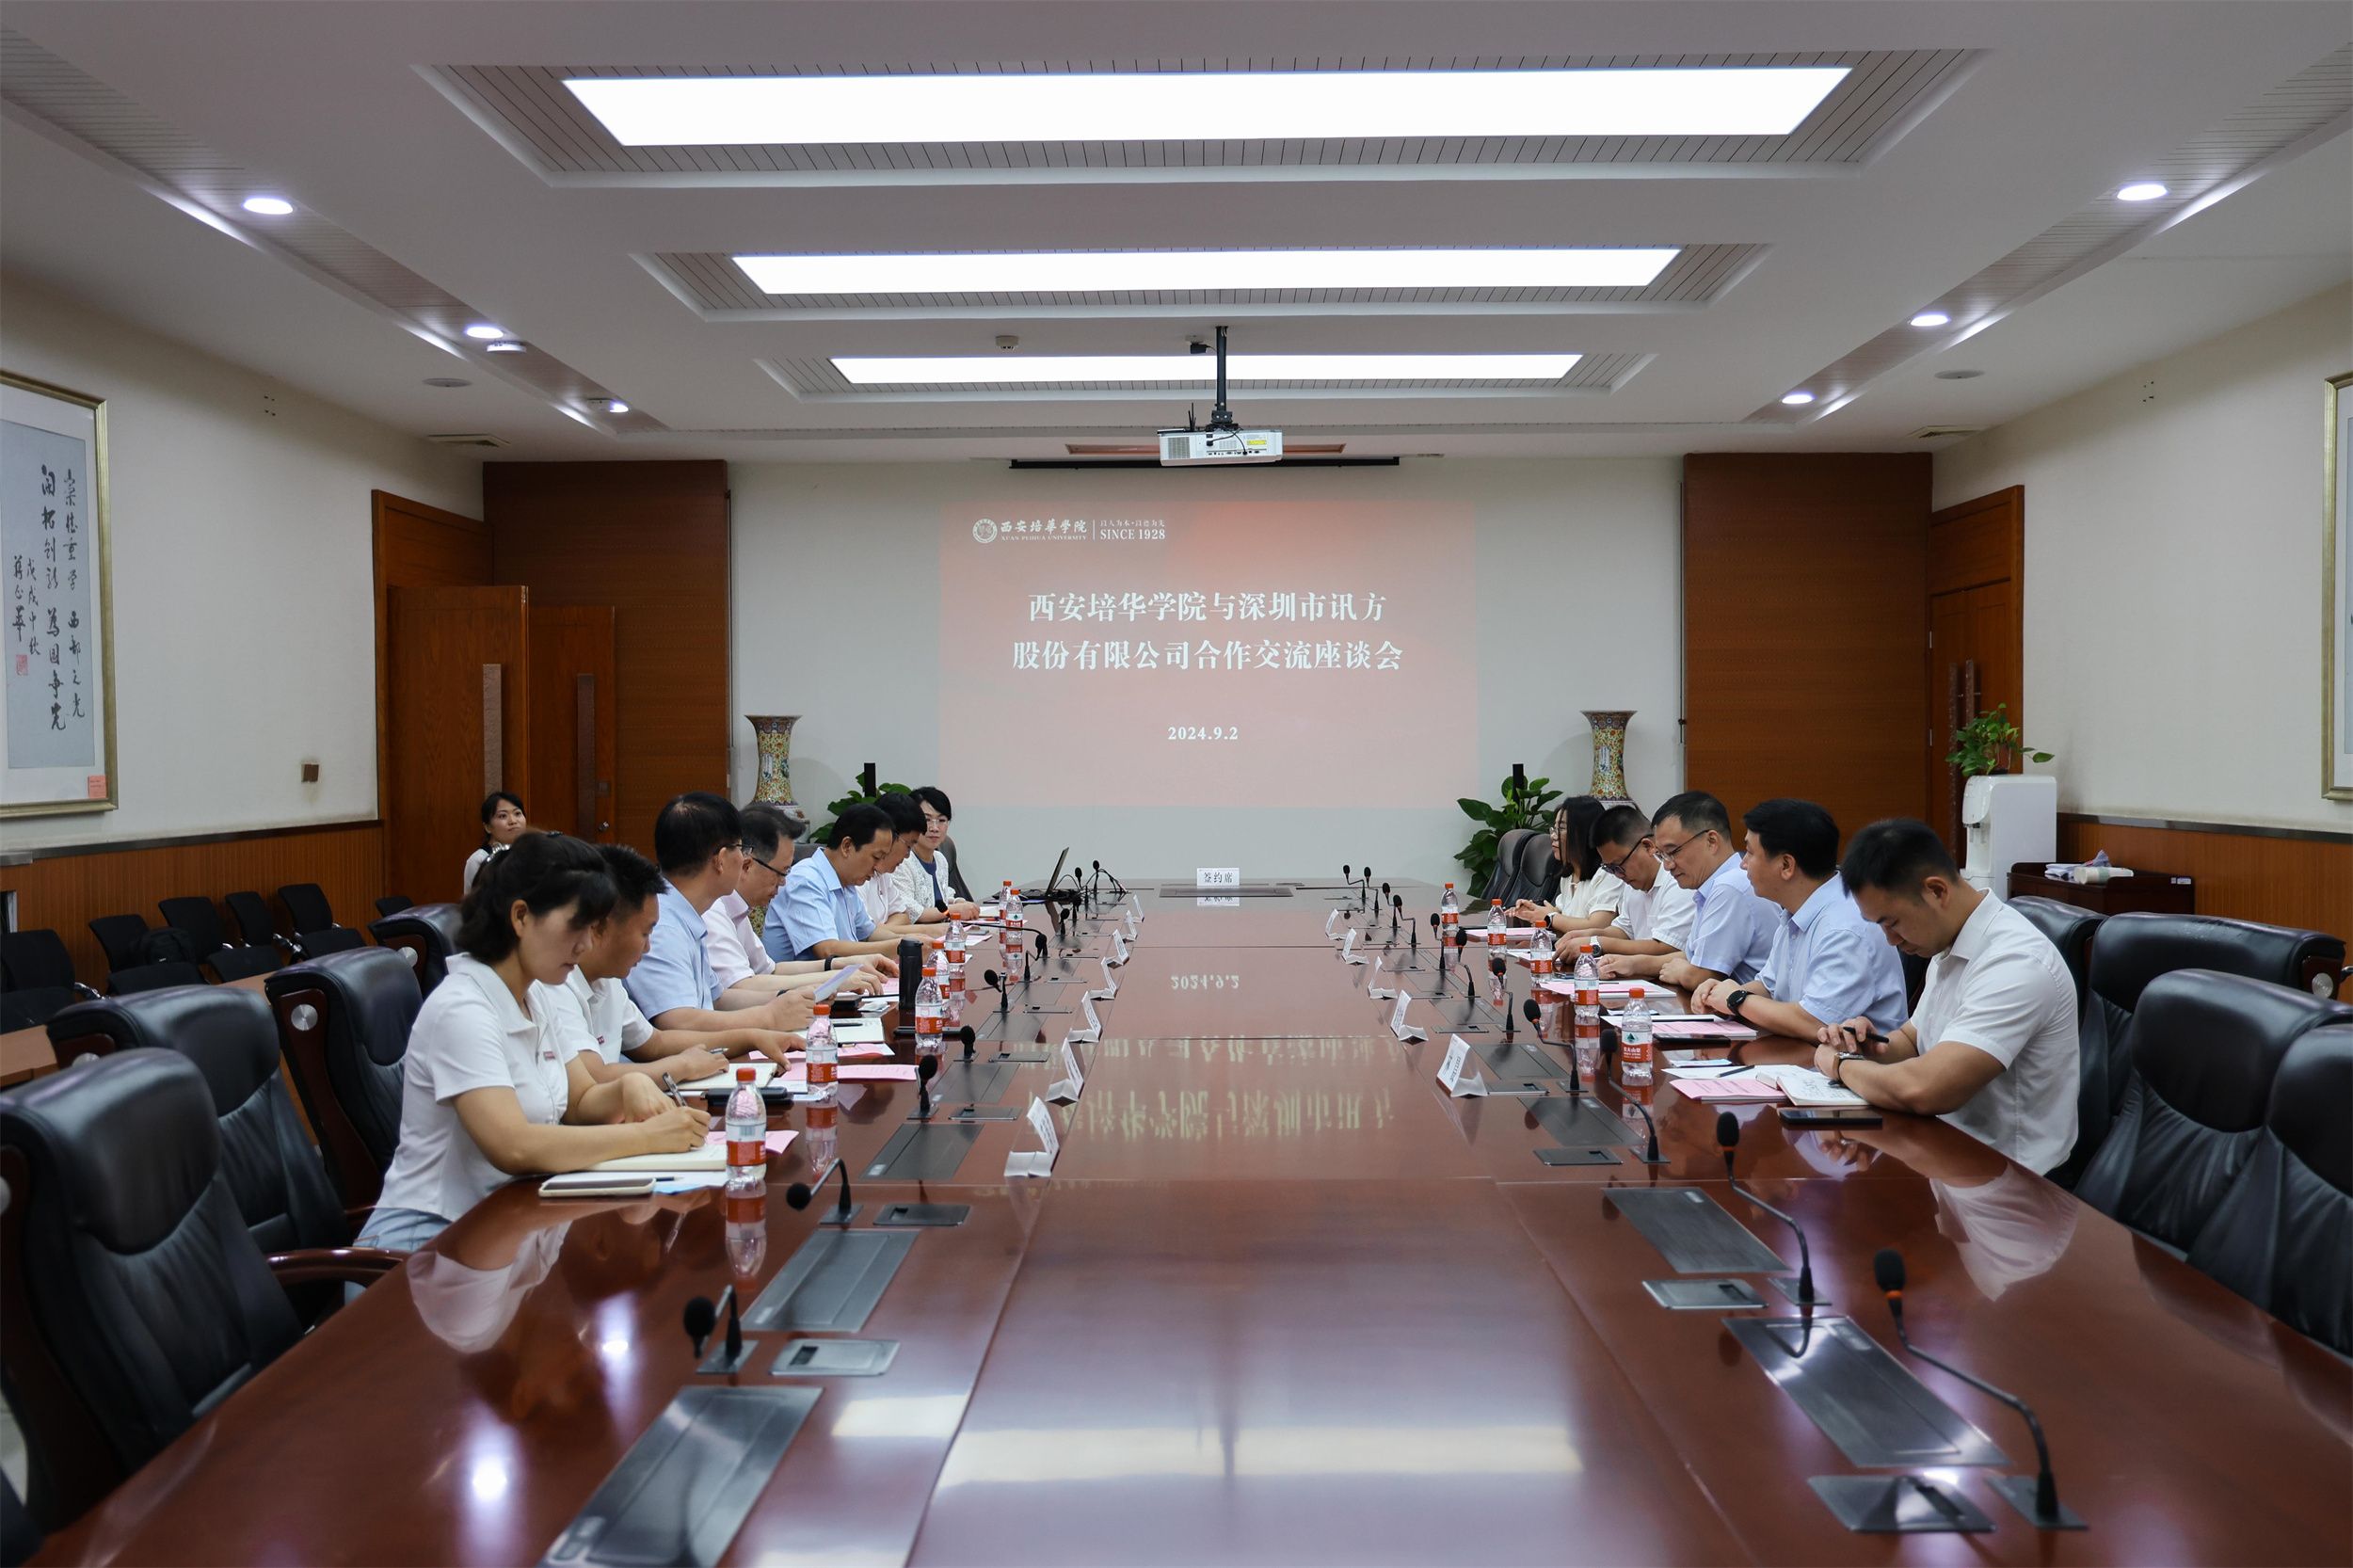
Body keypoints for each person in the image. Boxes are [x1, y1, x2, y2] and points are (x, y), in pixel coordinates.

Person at [355, 833, 709, 1254]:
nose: (585, 944)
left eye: (592, 929)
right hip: (427, 1243)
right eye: (577, 926)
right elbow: (515, 1146)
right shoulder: (462, 1009)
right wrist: (648, 1137)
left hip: (509, 1226)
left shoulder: (536, 995)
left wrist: (627, 1087)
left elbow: (579, 1102)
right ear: (521, 916)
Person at [1815, 818, 2080, 1175]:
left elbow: (1927, 1089)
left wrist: (1841, 1065)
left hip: (2014, 1181)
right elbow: (1913, 1040)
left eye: (1892, 922)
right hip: (1945, 1156)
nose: (1890, 940)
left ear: (1937, 891)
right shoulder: (1949, 941)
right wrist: (1866, 1046)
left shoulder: (2015, 962)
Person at [538, 843, 804, 1086]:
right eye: (645, 933)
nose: (648, 947)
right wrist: (682, 1066)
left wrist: (751, 1037)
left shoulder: (607, 980)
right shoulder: (556, 982)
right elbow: (593, 1078)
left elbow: (655, 1042)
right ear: (600, 927)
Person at [1690, 798, 1908, 1038]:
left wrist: (1736, 999)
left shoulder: (1844, 928)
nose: (1743, 864)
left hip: (1852, 1060)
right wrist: (1720, 994)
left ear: (1786, 865)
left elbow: (1815, 1022)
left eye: (1750, 853)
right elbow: (1769, 987)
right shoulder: (1796, 911)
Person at [622, 792, 822, 1034]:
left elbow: (718, 999)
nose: (744, 858)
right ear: (721, 859)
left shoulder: (689, 913)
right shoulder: (663, 925)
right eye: (740, 847)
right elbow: (679, 1021)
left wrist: (790, 998)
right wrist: (768, 1017)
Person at [707, 806, 888, 998]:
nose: (784, 882)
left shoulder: (738, 911)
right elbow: (740, 986)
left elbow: (771, 970)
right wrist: (834, 979)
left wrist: (840, 965)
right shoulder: (713, 911)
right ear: (747, 866)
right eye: (781, 872)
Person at [1652, 791, 1779, 991]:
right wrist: (1632, 963)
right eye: (1662, 856)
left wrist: (1685, 973)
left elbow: (1701, 977)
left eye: (1673, 852)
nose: (1667, 866)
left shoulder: (1731, 886)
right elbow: (1693, 957)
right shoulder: (1713, 886)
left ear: (1711, 841)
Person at [773, 802, 923, 963]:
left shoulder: (847, 883)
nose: (878, 867)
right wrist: (899, 946)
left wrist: (912, 940)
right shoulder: (806, 881)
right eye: (876, 857)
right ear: (847, 846)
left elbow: (869, 934)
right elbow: (828, 950)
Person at [1584, 803, 1696, 980]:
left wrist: (1597, 943)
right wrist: (1587, 936)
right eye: (1610, 869)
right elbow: (1624, 931)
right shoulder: (1633, 883)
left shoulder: (1679, 880)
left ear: (1648, 846)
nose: (1618, 875)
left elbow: (1667, 947)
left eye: (1619, 866)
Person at [1510, 796, 1625, 941]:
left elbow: (1598, 926)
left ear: (1584, 832)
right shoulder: (1568, 876)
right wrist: (1533, 912)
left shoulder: (1609, 874)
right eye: (1554, 828)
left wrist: (1550, 917)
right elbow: (1563, 918)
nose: (1553, 836)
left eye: (1562, 829)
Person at [894, 785, 982, 922]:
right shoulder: (902, 861)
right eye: (927, 820)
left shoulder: (940, 859)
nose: (935, 828)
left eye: (941, 820)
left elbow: (940, 899)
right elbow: (909, 911)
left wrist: (957, 902)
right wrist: (953, 910)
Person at [464, 792, 527, 894]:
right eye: (503, 816)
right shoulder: (478, 860)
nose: (513, 821)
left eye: (517, 813)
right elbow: (474, 902)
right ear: (488, 827)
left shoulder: (532, 853)